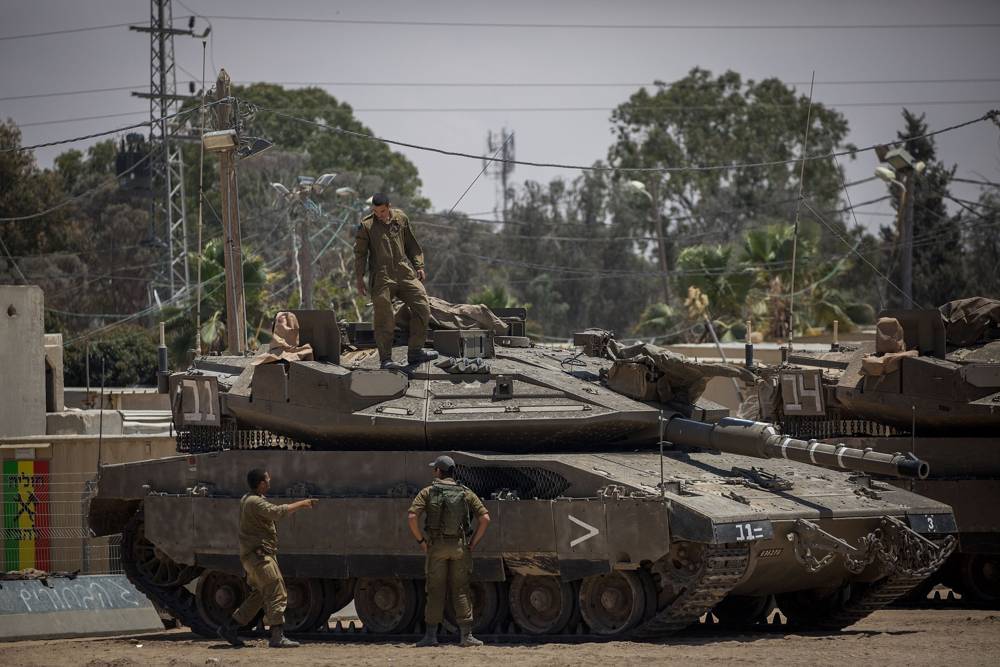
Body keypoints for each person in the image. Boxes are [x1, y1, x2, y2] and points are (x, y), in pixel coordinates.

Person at [217, 468, 318, 649]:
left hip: (255, 557)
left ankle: (229, 627)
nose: (270, 483)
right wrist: (303, 503)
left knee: (260, 595)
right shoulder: (255, 502)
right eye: (267, 480)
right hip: (260, 558)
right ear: (261, 483)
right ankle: (277, 636)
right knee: (277, 592)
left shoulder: (248, 499)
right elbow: (277, 512)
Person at [407, 455, 491, 647]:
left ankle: (431, 636)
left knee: (435, 590)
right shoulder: (465, 492)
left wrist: (421, 540)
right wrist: (472, 543)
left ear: (438, 471)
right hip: (460, 547)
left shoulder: (428, 492)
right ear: (453, 472)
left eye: (434, 469)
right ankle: (466, 637)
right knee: (461, 590)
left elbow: (412, 516)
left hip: (436, 547)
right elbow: (485, 518)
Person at [354, 192, 438, 370]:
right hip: (381, 276)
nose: (380, 215)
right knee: (384, 317)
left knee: (422, 306)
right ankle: (386, 359)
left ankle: (415, 351)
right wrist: (359, 278)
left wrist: (419, 266)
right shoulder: (366, 225)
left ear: (389, 207)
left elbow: (411, 244)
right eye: (376, 212)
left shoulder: (401, 219)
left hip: (403, 271)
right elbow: (360, 254)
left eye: (383, 211)